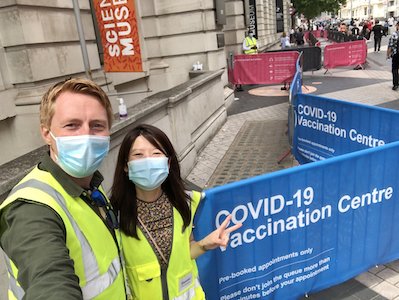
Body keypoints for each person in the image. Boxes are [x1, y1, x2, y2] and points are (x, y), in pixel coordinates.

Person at [0, 78, 128, 299]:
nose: (86, 135)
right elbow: (49, 282)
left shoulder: (89, 188)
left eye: (97, 125)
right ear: (47, 133)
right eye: (72, 125)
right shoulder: (31, 209)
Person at [110, 124, 242, 299]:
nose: (148, 161)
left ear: (168, 162)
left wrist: (204, 245)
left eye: (156, 153)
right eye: (138, 155)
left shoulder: (187, 203)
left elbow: (183, 254)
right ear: (126, 166)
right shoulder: (113, 215)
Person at [387, 23, 399, 90]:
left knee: (395, 69)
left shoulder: (394, 34)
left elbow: (390, 45)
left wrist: (388, 54)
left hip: (396, 54)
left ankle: (395, 84)